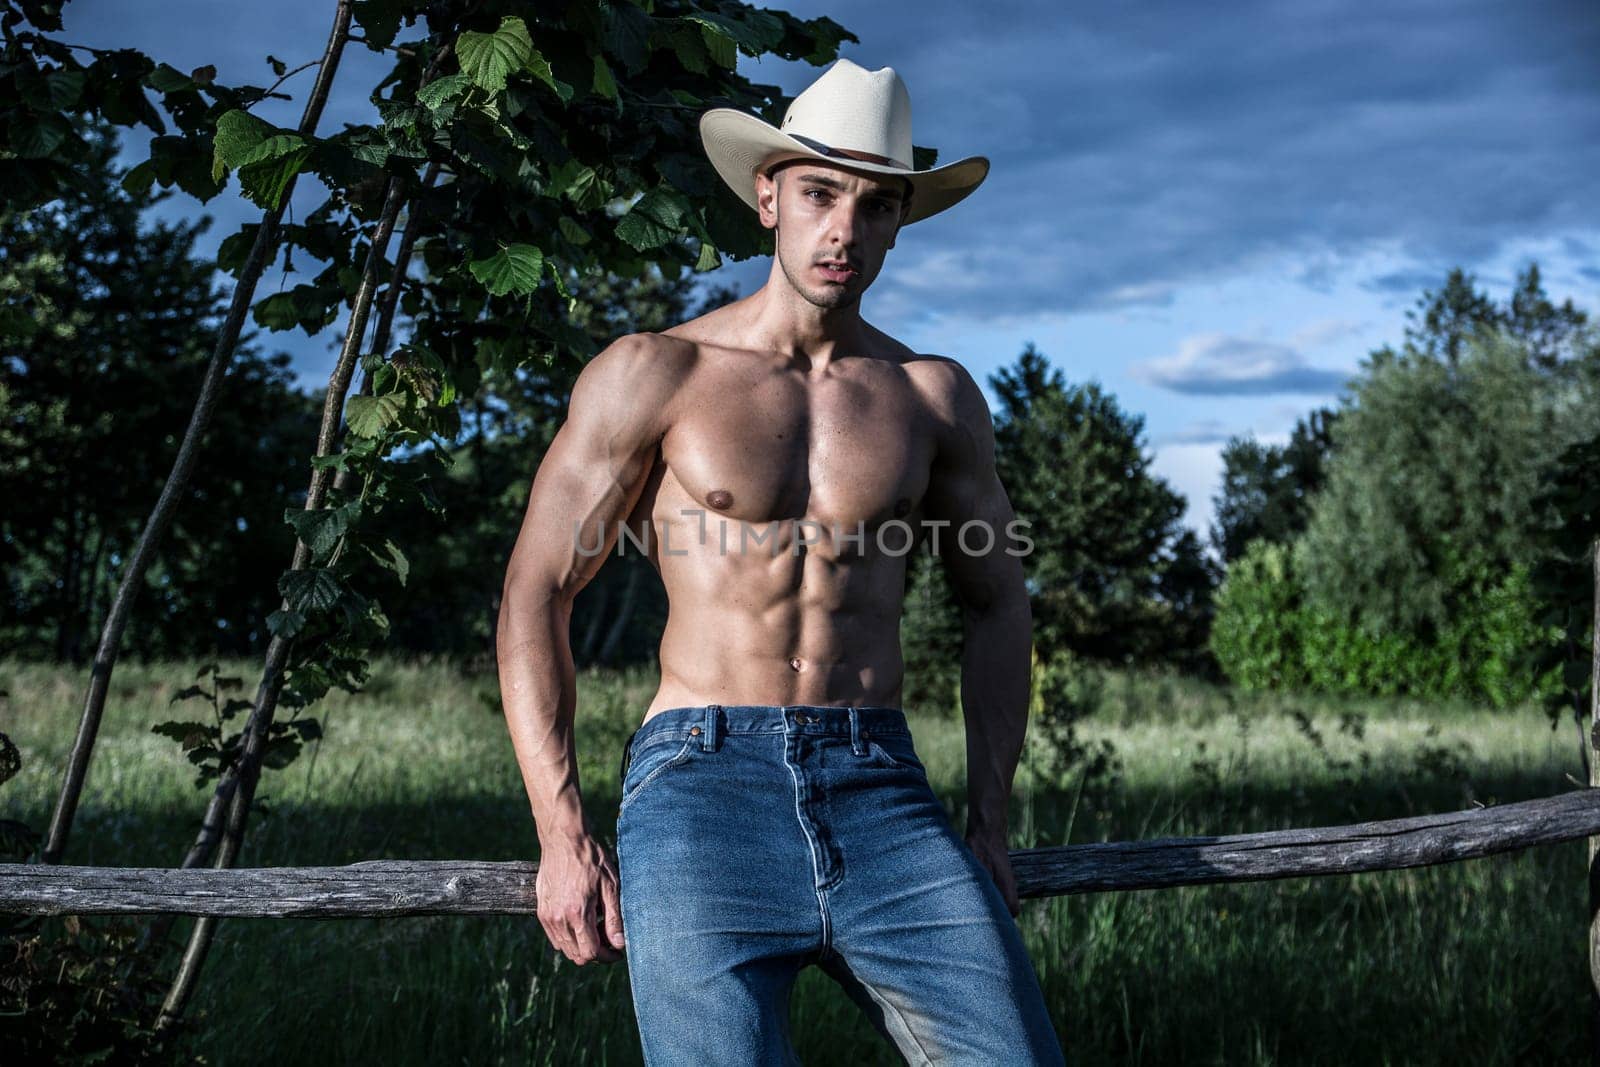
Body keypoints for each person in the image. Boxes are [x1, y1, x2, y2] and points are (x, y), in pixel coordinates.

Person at [496, 57, 1064, 1065]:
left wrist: (989, 815)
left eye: (874, 204)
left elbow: (998, 601)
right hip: (700, 781)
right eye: (818, 193)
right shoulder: (655, 373)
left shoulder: (932, 398)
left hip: (881, 781)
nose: (843, 227)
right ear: (767, 196)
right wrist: (561, 828)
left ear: (898, 223)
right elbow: (538, 589)